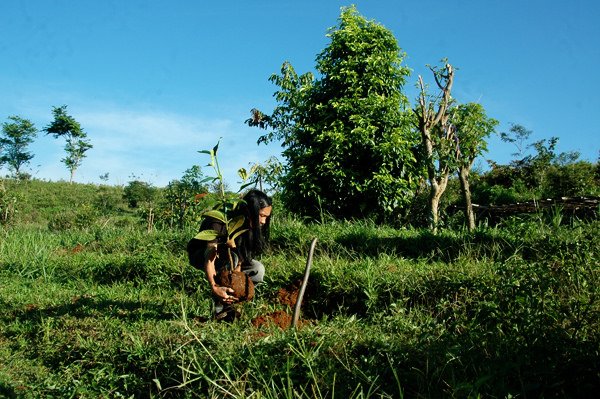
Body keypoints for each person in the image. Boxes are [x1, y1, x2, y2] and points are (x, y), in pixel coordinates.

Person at [187, 189, 273, 321]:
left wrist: (236, 282)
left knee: (257, 268)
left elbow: (241, 258)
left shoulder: (245, 224)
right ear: (250, 211)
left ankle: (234, 305)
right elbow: (210, 258)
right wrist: (214, 287)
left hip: (231, 258)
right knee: (230, 258)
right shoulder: (219, 222)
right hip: (201, 254)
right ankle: (219, 309)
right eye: (261, 215)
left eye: (266, 217)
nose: (263, 221)